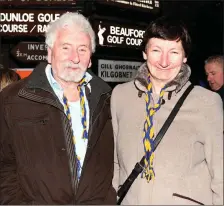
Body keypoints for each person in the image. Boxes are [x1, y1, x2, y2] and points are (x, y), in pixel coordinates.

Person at [0, 12, 116, 204]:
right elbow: (4, 165)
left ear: (90, 58)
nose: (75, 58)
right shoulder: (13, 99)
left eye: (82, 49)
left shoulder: (107, 99)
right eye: (66, 48)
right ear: (49, 52)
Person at [111, 16, 223, 205]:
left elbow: (220, 171)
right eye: (156, 50)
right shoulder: (120, 96)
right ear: (145, 53)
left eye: (173, 52)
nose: (164, 61)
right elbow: (114, 164)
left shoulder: (207, 102)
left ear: (185, 56)